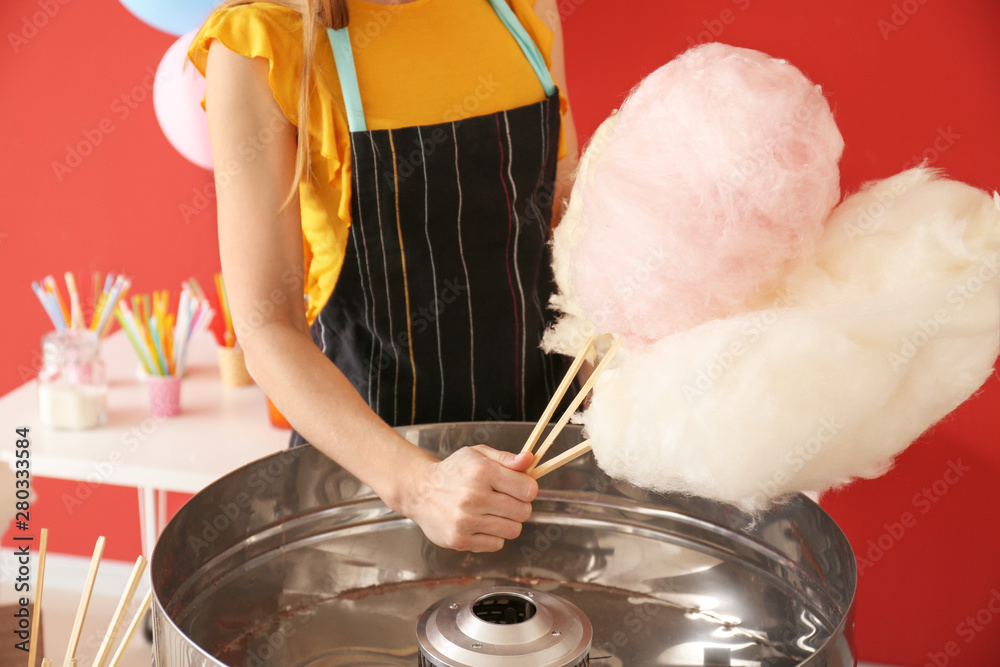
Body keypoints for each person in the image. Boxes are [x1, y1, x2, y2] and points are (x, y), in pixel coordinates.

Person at [188, 0, 579, 553]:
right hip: (369, 486)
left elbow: (563, 223)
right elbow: (266, 329)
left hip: (545, 460)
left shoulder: (523, 8)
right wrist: (422, 488)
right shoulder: (261, 43)